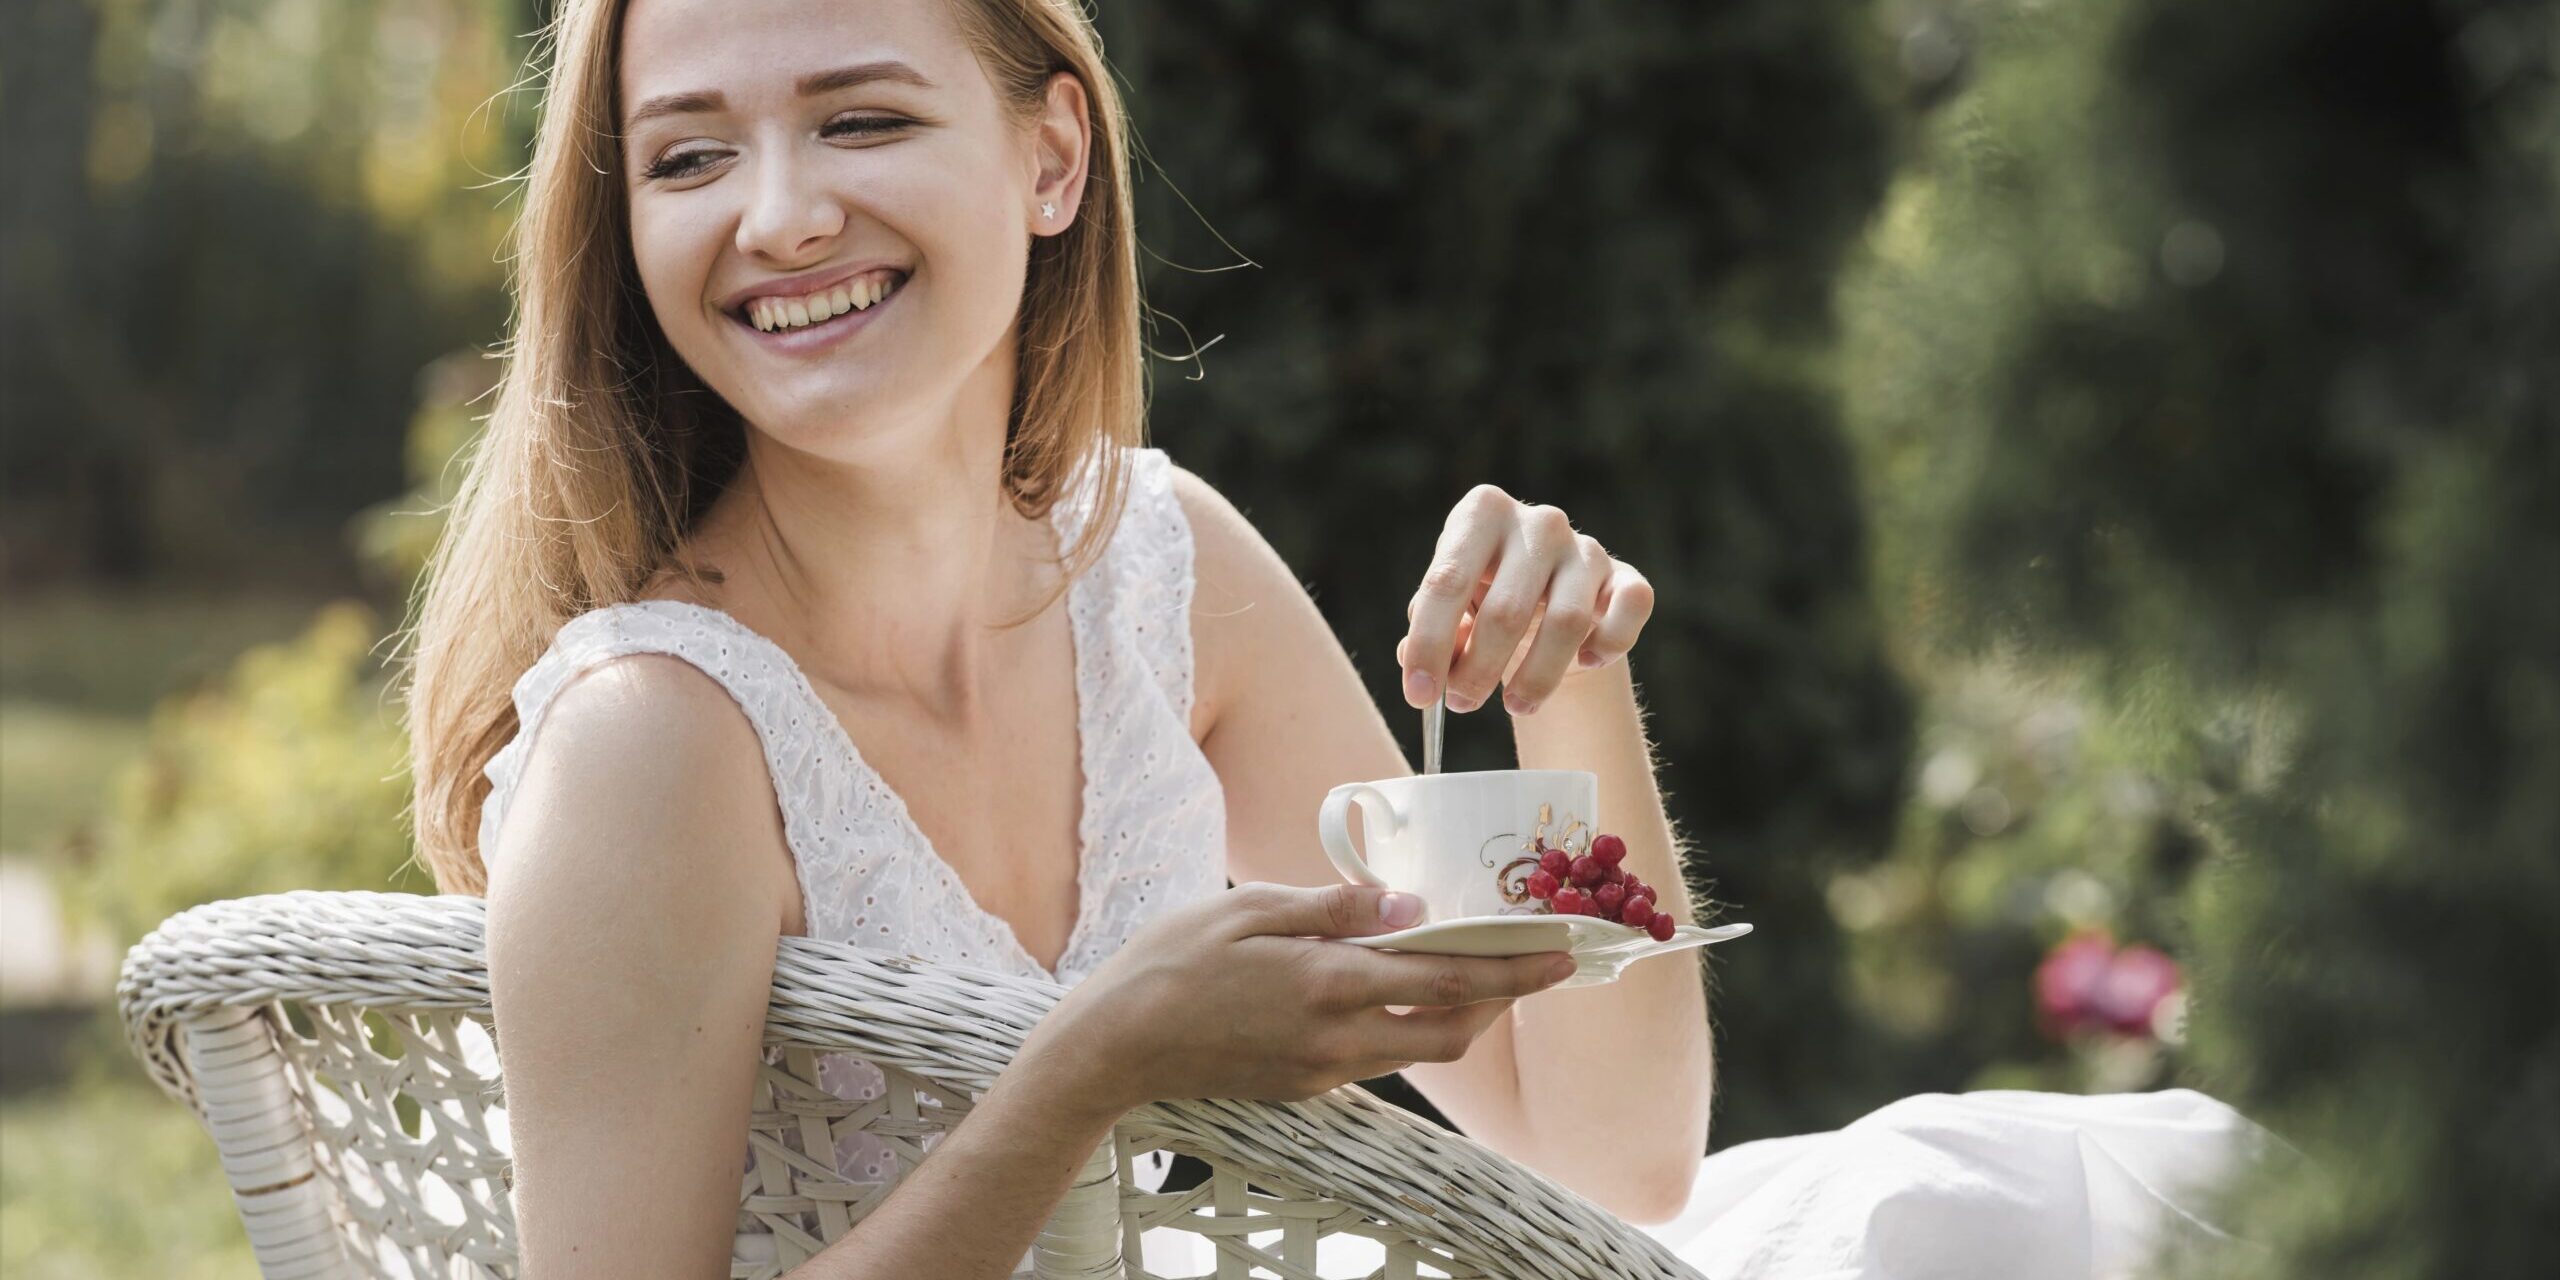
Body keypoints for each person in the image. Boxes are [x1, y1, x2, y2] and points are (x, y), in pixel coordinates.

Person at [400, 0, 2263, 1275]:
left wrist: (1568, 699)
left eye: (864, 116)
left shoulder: (1157, 573)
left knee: (2027, 1205)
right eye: (687, 156)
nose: (782, 214)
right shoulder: (652, 744)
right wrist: (1085, 1074)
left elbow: (1597, 1151)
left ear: (1054, 159)